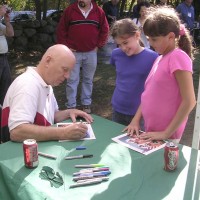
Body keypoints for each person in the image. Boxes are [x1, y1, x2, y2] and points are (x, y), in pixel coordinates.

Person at [124, 6, 196, 143]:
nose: (150, 43)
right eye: (148, 39)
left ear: (171, 36)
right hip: (151, 131)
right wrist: (136, 119)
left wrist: (165, 133)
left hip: (167, 136)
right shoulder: (160, 57)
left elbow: (190, 101)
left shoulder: (178, 57)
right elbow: (148, 93)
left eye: (154, 39)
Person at [1, 44, 94, 143]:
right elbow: (17, 131)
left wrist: (69, 112)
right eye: (65, 69)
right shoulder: (27, 85)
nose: (67, 76)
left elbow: (51, 116)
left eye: (70, 71)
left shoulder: (45, 83)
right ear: (48, 61)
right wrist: (63, 133)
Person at [56, 0, 109, 114]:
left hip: (91, 52)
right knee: (72, 80)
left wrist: (98, 46)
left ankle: (86, 103)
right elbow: (61, 30)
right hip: (73, 53)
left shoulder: (98, 11)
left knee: (88, 80)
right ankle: (71, 106)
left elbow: (105, 30)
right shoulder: (70, 10)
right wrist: (66, 47)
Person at [110, 18, 158, 126]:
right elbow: (122, 74)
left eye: (125, 42)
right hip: (118, 109)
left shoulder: (152, 57)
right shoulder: (116, 54)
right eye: (119, 44)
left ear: (137, 35)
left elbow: (154, 88)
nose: (123, 48)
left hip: (141, 113)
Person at [0, 4, 14, 106]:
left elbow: (10, 33)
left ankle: (3, 112)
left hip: (4, 58)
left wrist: (7, 22)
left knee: (6, 86)